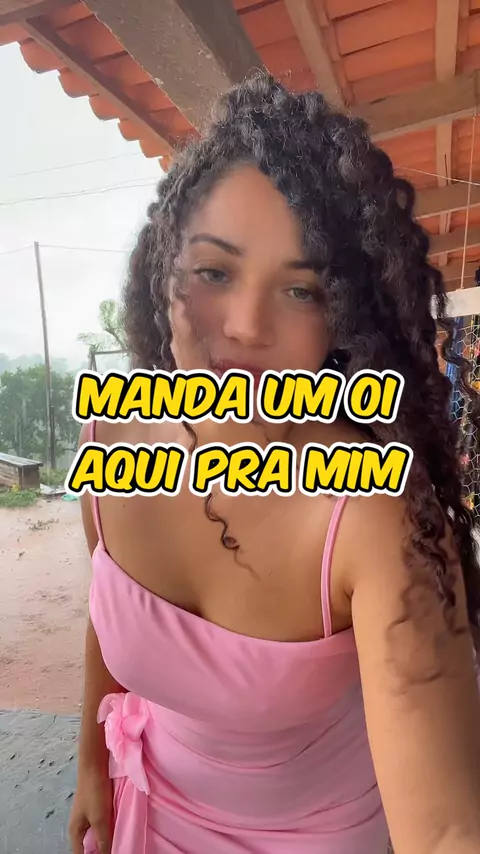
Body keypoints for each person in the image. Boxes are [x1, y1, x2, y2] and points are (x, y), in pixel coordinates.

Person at [69, 73, 480, 854]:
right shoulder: (110, 442)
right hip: (152, 811)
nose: (246, 327)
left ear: (342, 320)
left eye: (301, 291)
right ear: (166, 272)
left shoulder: (373, 515)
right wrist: (92, 760)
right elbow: (108, 603)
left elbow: (446, 828)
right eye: (215, 272)